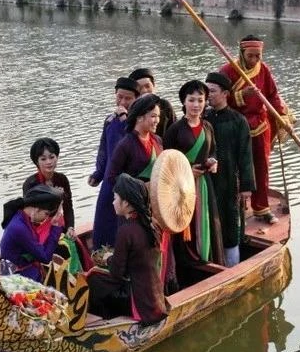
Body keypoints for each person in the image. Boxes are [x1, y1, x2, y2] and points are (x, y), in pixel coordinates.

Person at [219, 35, 289, 224]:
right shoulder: (227, 71)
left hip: (260, 124)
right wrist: (241, 95)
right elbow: (218, 99)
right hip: (237, 126)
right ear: (242, 53)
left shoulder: (263, 69)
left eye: (258, 56)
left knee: (262, 167)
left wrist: (281, 116)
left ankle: (261, 207)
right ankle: (236, 206)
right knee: (235, 167)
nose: (255, 60)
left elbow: (273, 95)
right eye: (251, 56)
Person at [164, 80, 225, 283]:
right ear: (184, 102)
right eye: (192, 100)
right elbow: (168, 162)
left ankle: (207, 259)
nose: (196, 105)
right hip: (182, 187)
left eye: (200, 100)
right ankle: (187, 270)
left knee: (206, 220)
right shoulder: (174, 130)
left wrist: (213, 161)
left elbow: (213, 149)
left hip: (204, 185)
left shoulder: (207, 126)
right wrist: (187, 171)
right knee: (185, 227)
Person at [87, 173, 168, 325]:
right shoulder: (153, 224)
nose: (113, 202)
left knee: (93, 280)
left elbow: (117, 274)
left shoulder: (127, 231)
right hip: (155, 296)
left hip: (140, 302)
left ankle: (103, 323)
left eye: (115, 198)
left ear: (126, 203)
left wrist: (108, 259)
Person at [204, 72, 255, 267]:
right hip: (207, 180)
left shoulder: (238, 121)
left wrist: (246, 187)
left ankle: (232, 264)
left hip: (228, 180)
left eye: (212, 91)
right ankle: (209, 261)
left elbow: (245, 155)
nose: (208, 95)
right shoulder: (203, 117)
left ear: (225, 93)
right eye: (206, 91)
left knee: (230, 221)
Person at [89, 77, 140, 249]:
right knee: (104, 221)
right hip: (109, 181)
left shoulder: (137, 123)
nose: (123, 101)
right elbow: (104, 150)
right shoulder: (109, 120)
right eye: (120, 97)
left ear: (136, 99)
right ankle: (102, 258)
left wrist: (125, 119)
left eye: (128, 98)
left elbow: (130, 145)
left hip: (128, 181)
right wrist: (98, 173)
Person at [0, 185, 64, 282]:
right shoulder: (19, 228)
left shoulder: (20, 217)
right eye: (46, 214)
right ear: (36, 209)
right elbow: (45, 257)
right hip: (17, 278)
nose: (46, 218)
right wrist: (55, 226)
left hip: (22, 269)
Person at [106, 94, 163, 187]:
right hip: (135, 199)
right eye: (153, 116)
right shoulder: (126, 144)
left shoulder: (157, 140)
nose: (157, 120)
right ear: (139, 117)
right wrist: (140, 187)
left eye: (158, 116)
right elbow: (111, 177)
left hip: (156, 198)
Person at [23, 138, 75, 239]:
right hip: (38, 230)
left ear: (57, 157)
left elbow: (68, 207)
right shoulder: (30, 184)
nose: (49, 162)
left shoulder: (62, 179)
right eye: (43, 159)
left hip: (58, 224)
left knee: (76, 246)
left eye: (52, 157)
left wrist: (70, 227)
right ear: (36, 162)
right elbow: (29, 215)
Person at [128, 68, 176, 138]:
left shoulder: (165, 105)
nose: (144, 90)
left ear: (154, 86)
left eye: (147, 86)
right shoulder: (132, 110)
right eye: (140, 88)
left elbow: (174, 130)